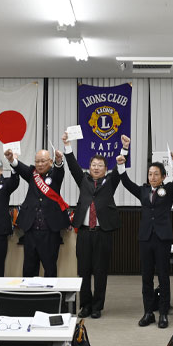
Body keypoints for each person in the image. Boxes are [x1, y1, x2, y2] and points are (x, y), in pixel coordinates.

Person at [63, 132, 125, 319]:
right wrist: (67, 145)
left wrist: (124, 149)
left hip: (102, 233)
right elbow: (73, 166)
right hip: (83, 233)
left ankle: (97, 306)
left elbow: (120, 166)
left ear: (106, 169)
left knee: (100, 271)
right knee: (83, 271)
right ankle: (85, 305)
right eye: (93, 165)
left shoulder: (110, 181)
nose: (96, 168)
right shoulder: (83, 180)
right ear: (89, 167)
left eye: (100, 165)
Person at [119, 147, 173, 329]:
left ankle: (163, 313)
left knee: (163, 276)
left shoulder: (168, 190)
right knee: (146, 277)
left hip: (163, 238)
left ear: (163, 176)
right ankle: (148, 312)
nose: (152, 177)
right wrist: (121, 166)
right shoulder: (143, 190)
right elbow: (126, 183)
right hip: (145, 238)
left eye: (156, 174)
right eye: (150, 174)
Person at [7, 148, 69, 277]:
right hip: (31, 230)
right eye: (37, 161)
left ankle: (50, 290)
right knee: (29, 267)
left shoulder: (55, 175)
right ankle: (29, 290)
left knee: (50, 267)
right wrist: (12, 159)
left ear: (50, 162)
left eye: (43, 161)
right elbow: (20, 167)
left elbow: (59, 170)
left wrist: (59, 161)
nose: (39, 164)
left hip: (50, 230)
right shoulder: (32, 174)